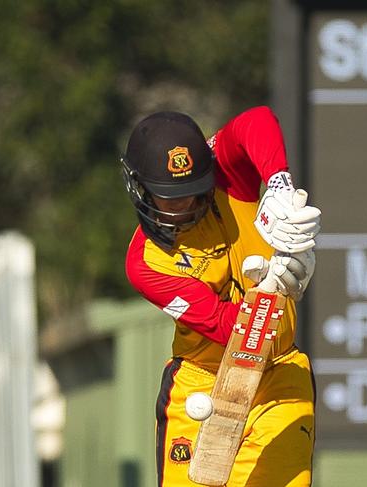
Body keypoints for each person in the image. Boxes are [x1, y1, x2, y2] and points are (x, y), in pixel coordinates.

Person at [121, 107, 321, 487]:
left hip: (278, 376)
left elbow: (257, 120)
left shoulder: (228, 179)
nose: (185, 206)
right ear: (142, 188)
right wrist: (274, 293)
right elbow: (224, 325)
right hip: (201, 380)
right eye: (170, 197)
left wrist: (277, 184)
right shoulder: (145, 264)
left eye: (193, 193)